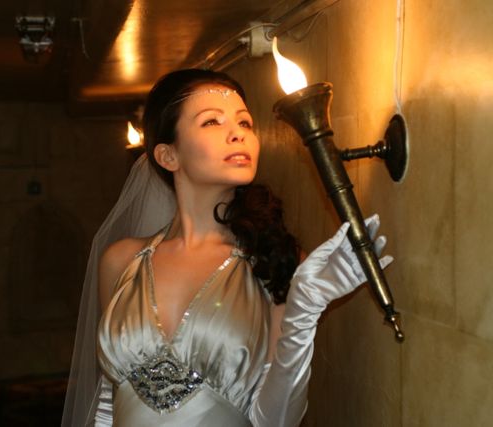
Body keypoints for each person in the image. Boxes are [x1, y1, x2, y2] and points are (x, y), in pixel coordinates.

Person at [61, 69, 391, 427]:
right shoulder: (121, 261)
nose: (238, 134)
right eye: (212, 122)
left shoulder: (273, 260)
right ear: (168, 156)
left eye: (245, 123)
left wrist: (305, 308)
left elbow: (275, 421)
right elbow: (108, 402)